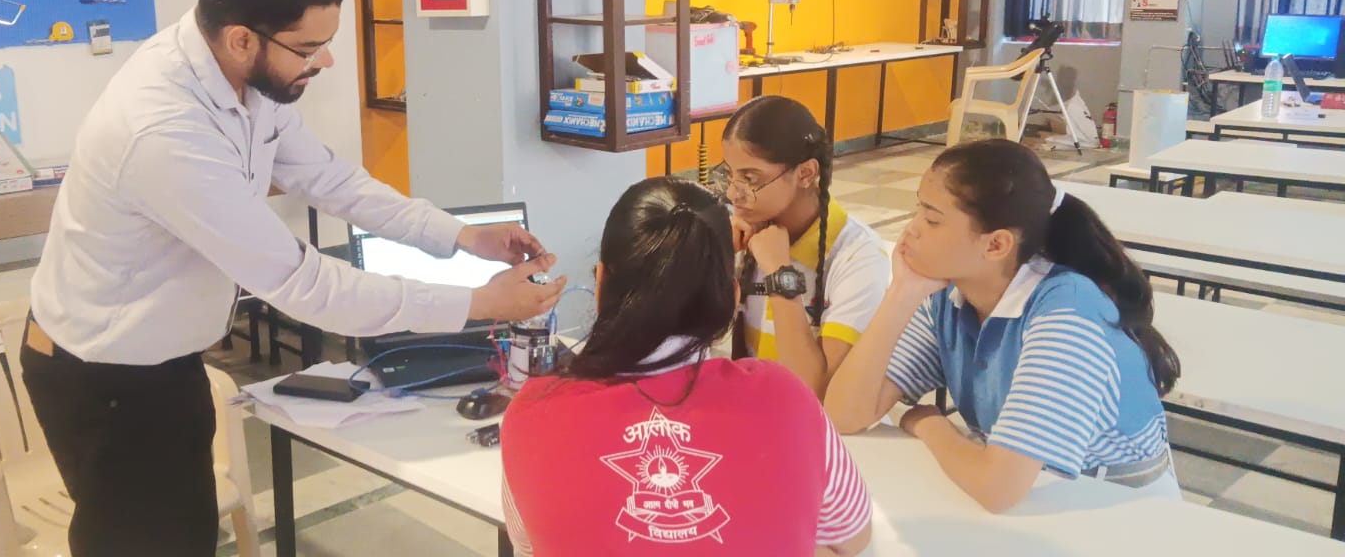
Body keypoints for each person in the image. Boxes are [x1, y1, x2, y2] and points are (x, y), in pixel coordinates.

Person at [19, 0, 566, 557]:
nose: (326, 60)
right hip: (105, 375)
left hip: (165, 358)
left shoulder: (243, 77)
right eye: (310, 48)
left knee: (186, 533)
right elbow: (300, 283)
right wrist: (476, 303)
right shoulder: (164, 132)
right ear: (242, 37)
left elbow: (333, 180)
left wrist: (463, 236)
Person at [501, 176, 872, 556]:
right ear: (732, 297)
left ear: (600, 284)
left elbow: (530, 545)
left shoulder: (532, 411)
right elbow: (853, 534)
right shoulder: (786, 394)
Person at [824, 139, 1183, 512]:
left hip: (1117, 510)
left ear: (996, 245)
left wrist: (930, 424)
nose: (911, 229)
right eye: (919, 209)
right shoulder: (946, 293)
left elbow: (997, 487)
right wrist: (900, 295)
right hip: (1033, 494)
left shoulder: (1066, 312)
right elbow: (843, 414)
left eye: (931, 219)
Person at [717, 95, 891, 396]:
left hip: (818, 431)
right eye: (729, 175)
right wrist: (714, 261)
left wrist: (779, 274)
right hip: (751, 414)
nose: (734, 193)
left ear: (806, 173)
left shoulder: (858, 257)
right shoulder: (743, 235)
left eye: (750, 178)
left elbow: (815, 390)